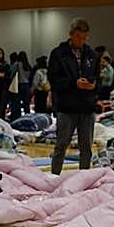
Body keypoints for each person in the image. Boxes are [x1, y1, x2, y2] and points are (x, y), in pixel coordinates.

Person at [47, 17, 99, 174]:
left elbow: (98, 78)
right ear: (70, 34)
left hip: (87, 107)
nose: (81, 41)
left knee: (86, 148)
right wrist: (73, 84)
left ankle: (84, 180)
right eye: (78, 37)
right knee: (61, 145)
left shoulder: (92, 54)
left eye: (84, 38)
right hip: (66, 107)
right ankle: (54, 178)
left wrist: (93, 85)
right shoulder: (58, 54)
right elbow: (54, 80)